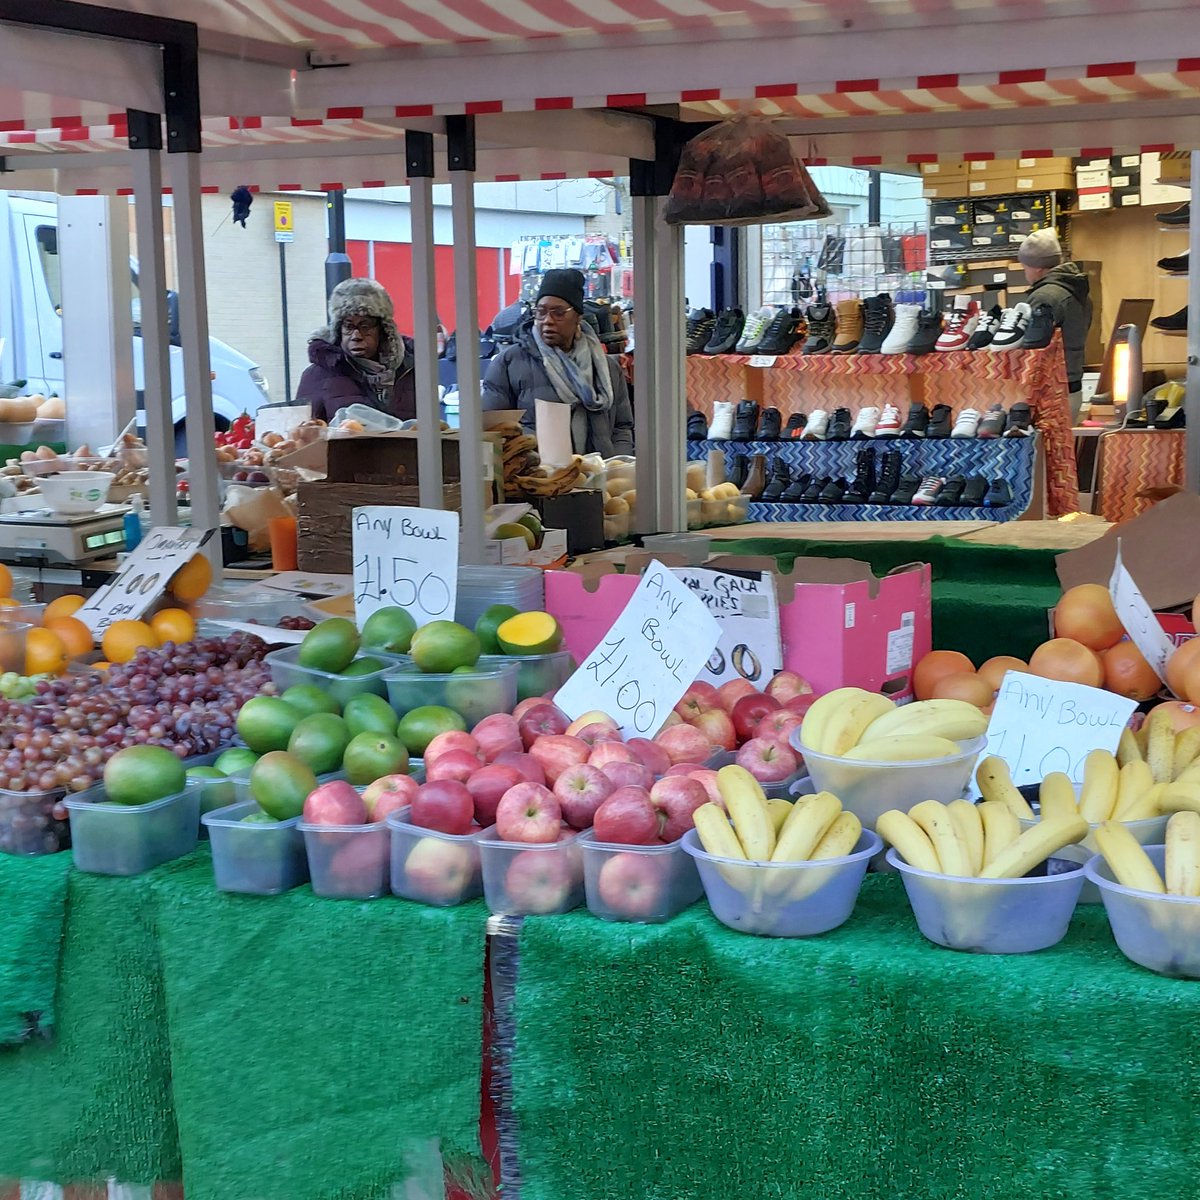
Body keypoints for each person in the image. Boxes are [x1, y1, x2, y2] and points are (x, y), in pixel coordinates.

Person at [481, 268, 634, 456]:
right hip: (538, 478)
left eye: (558, 313)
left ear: (578, 317)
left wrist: (614, 466)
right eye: (541, 312)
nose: (547, 320)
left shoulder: (606, 369)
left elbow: (622, 427)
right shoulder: (510, 363)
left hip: (599, 477)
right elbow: (493, 428)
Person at [294, 277, 416, 422]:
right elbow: (304, 435)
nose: (356, 336)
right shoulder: (316, 376)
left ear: (383, 330)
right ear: (338, 330)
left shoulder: (412, 369)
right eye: (348, 327)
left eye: (365, 326)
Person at [1018, 229, 1093, 423]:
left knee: (1044, 452)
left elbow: (1032, 348)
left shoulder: (1045, 297)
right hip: (1072, 385)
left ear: (1036, 267)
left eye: (1024, 266)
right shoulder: (1076, 290)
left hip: (1051, 392)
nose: (1024, 272)